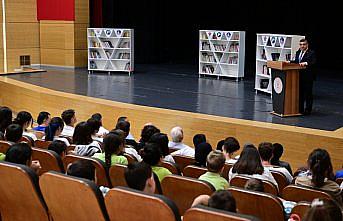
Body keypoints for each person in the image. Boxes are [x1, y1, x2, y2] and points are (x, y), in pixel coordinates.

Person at [290, 38, 316, 115]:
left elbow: (313, 62)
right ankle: (300, 109)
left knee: (308, 94)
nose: (302, 46)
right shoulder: (298, 52)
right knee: (300, 93)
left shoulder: (311, 53)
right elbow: (296, 62)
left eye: (304, 44)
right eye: (301, 44)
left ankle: (308, 110)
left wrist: (306, 63)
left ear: (307, 45)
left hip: (308, 77)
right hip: (298, 76)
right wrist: (289, 62)